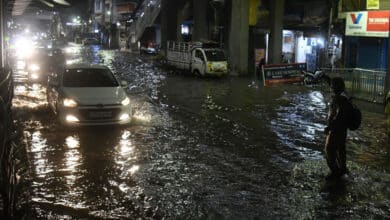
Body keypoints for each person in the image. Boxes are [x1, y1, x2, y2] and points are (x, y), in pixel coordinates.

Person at [324, 77, 349, 180]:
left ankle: (335, 172)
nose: (331, 87)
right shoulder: (345, 97)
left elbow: (336, 115)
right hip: (343, 130)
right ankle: (343, 168)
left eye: (332, 85)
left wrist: (329, 127)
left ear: (335, 87)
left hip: (335, 129)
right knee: (341, 148)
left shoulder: (338, 99)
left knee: (329, 149)